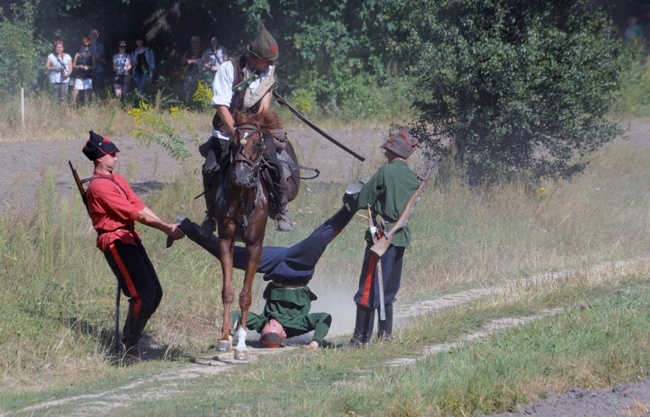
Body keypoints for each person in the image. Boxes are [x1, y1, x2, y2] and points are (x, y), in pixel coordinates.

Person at [177, 206, 356, 350]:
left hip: (274, 267)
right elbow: (324, 318)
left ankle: (186, 225)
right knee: (321, 236)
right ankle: (354, 202)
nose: (269, 326)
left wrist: (231, 334)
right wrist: (315, 343)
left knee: (229, 256)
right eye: (274, 331)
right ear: (284, 334)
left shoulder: (261, 322)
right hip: (298, 268)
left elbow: (236, 314)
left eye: (264, 333)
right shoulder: (297, 326)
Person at [82, 131, 185, 359]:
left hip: (129, 239)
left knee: (154, 293)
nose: (116, 158)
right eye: (111, 155)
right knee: (142, 295)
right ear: (99, 158)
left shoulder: (117, 180)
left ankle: (131, 339)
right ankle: (128, 348)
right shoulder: (98, 187)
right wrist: (165, 228)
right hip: (115, 242)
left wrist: (165, 223)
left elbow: (139, 205)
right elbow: (135, 214)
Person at [199, 25, 295, 235]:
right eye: (267, 60)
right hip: (227, 130)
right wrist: (235, 131)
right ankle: (210, 214)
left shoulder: (268, 70)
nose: (270, 64)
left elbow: (265, 105)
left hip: (255, 131)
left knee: (275, 165)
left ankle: (281, 209)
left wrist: (257, 130)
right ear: (254, 57)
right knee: (209, 168)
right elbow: (220, 105)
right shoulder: (228, 69)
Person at [343, 129, 421, 346]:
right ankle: (385, 334)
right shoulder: (413, 178)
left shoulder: (386, 172)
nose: (385, 152)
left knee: (369, 288)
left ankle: (360, 338)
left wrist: (348, 199)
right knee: (388, 287)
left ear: (392, 150)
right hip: (400, 237)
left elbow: (362, 199)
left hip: (381, 237)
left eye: (387, 149)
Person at [71, 37, 96, 106]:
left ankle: (87, 105)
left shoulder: (91, 55)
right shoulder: (77, 54)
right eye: (85, 45)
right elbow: (73, 65)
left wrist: (88, 67)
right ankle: (73, 104)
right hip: (79, 75)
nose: (86, 47)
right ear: (82, 45)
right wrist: (79, 66)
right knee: (75, 90)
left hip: (88, 75)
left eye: (88, 45)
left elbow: (94, 66)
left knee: (87, 92)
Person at [88, 29, 106, 100]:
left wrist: (94, 47)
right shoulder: (86, 46)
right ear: (89, 35)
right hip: (89, 71)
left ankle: (99, 103)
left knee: (99, 89)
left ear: (97, 35)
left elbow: (99, 57)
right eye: (92, 35)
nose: (93, 36)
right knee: (90, 90)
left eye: (95, 35)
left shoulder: (100, 46)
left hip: (99, 71)